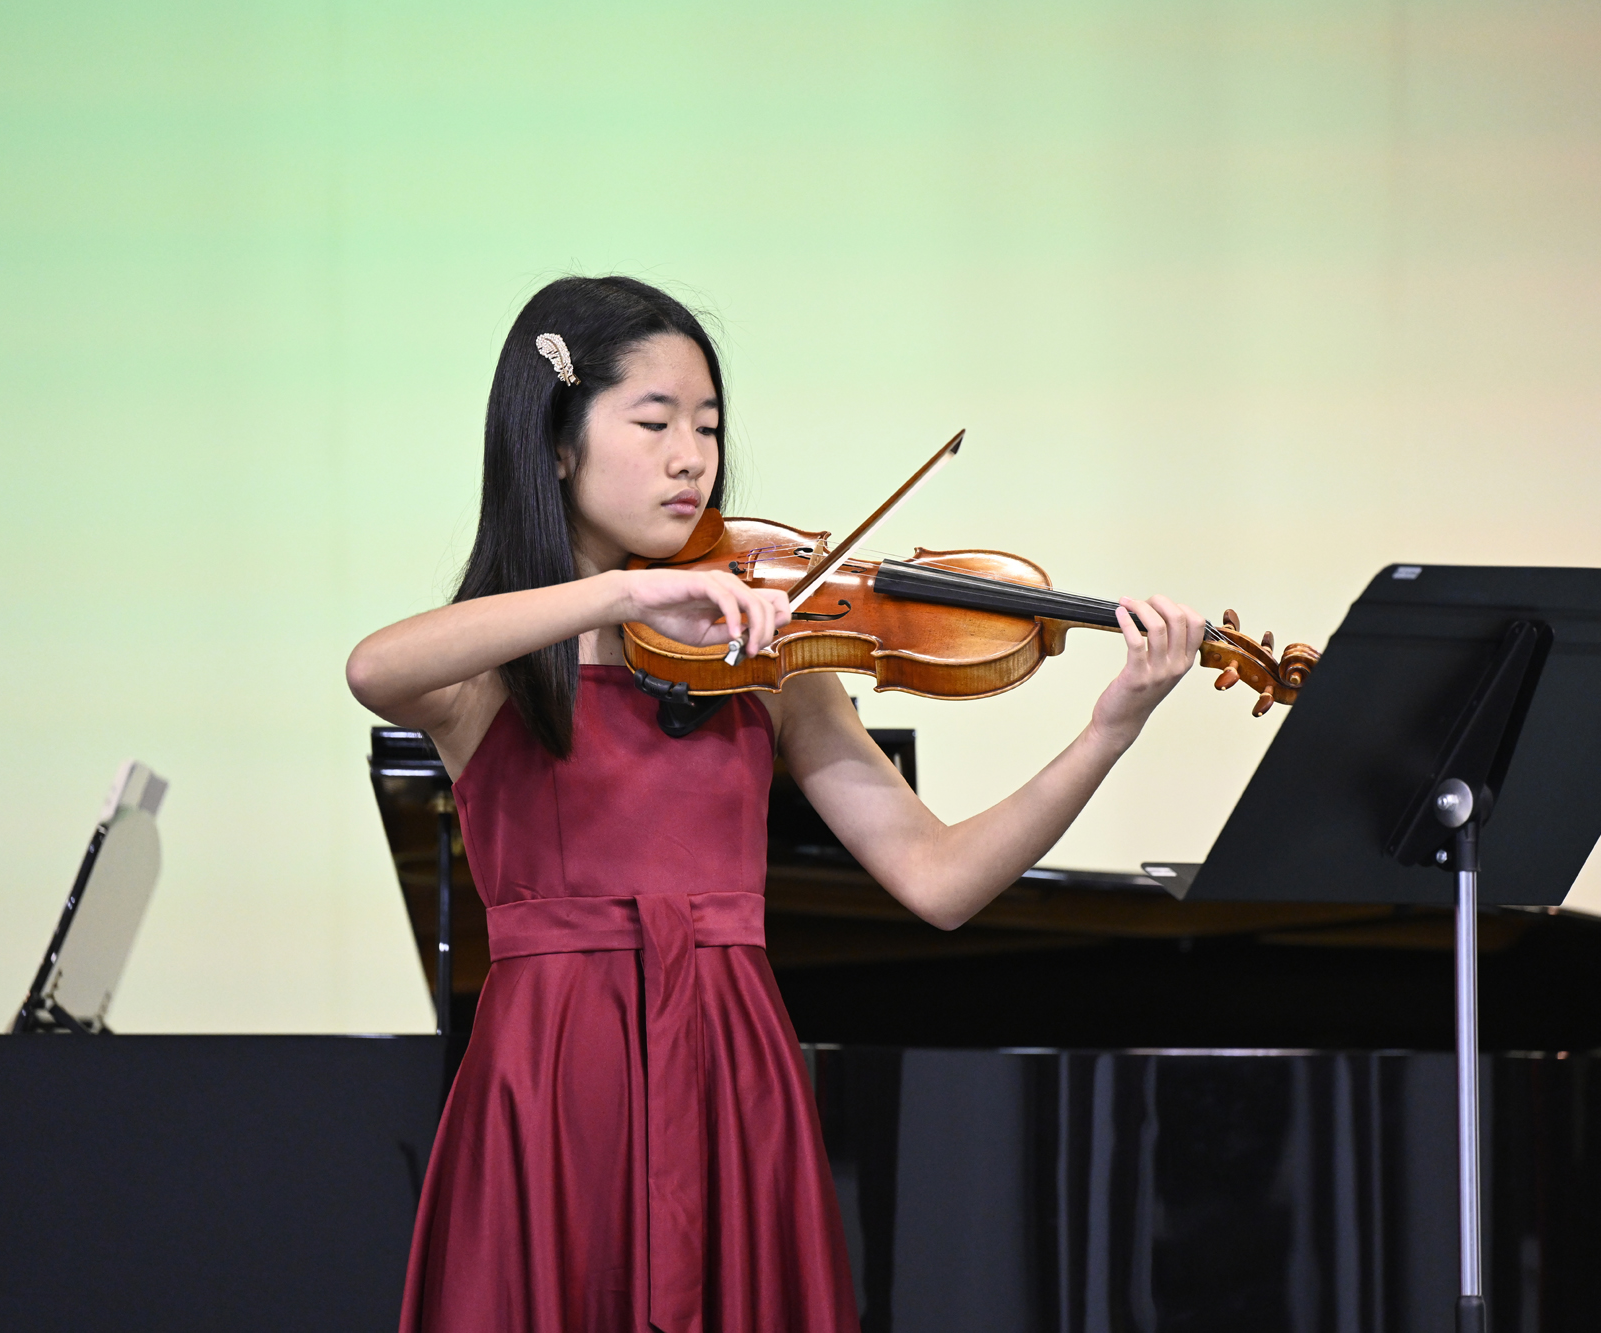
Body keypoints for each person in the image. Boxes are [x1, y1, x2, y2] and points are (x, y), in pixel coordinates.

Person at [347, 275, 1208, 1333]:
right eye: (655, 422)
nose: (691, 458)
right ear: (558, 446)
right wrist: (622, 592)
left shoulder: (767, 657)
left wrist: (1109, 730)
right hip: (553, 1073)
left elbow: (939, 880)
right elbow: (373, 667)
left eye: (708, 427)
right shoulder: (496, 669)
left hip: (731, 1063)